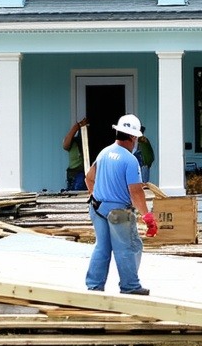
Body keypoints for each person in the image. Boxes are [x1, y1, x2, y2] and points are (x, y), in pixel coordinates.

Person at [84, 114, 157, 295]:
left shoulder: (104, 153)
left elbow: (89, 178)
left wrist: (99, 196)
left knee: (102, 247)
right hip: (119, 213)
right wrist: (147, 217)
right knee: (129, 247)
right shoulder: (130, 160)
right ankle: (130, 286)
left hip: (97, 208)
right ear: (133, 137)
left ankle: (94, 286)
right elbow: (136, 192)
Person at [62, 116, 89, 191]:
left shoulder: (89, 144)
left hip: (86, 174)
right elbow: (65, 145)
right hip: (74, 174)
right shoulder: (73, 142)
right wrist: (78, 126)